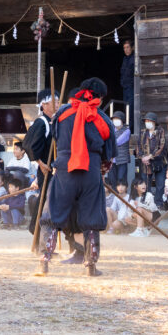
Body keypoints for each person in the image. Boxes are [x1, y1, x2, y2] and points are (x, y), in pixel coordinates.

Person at [36, 77, 117, 278]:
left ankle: (43, 262)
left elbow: (55, 138)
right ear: (99, 96)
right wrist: (103, 169)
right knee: (91, 217)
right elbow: (110, 154)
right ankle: (90, 265)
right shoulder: (103, 119)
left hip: (65, 169)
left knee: (52, 214)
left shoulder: (61, 114)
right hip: (91, 172)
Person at [22, 89, 56, 236]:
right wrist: (40, 163)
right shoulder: (41, 123)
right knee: (44, 202)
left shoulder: (55, 121)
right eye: (54, 102)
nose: (58, 104)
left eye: (59, 101)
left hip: (55, 168)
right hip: (46, 169)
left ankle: (47, 238)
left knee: (52, 202)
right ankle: (38, 234)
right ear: (44, 105)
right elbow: (29, 144)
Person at [135, 111, 166, 206]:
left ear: (154, 122)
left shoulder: (160, 131)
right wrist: (143, 157)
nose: (147, 122)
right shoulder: (142, 132)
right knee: (145, 184)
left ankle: (158, 204)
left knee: (160, 185)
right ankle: (146, 204)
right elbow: (138, 146)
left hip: (159, 163)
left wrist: (150, 156)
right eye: (146, 120)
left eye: (149, 120)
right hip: (146, 164)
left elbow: (161, 147)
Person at [107, 112, 131, 190]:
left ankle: (122, 198)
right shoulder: (111, 129)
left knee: (121, 180)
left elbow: (117, 142)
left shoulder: (126, 131)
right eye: (114, 119)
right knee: (112, 180)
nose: (115, 121)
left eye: (117, 119)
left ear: (122, 120)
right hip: (111, 159)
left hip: (122, 159)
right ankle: (114, 198)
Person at [120, 39, 136, 108]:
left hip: (131, 87)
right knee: (125, 105)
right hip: (125, 86)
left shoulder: (134, 58)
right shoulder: (124, 59)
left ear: (132, 48)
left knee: (131, 105)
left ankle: (131, 119)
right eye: (124, 48)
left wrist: (131, 83)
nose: (125, 49)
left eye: (127, 47)